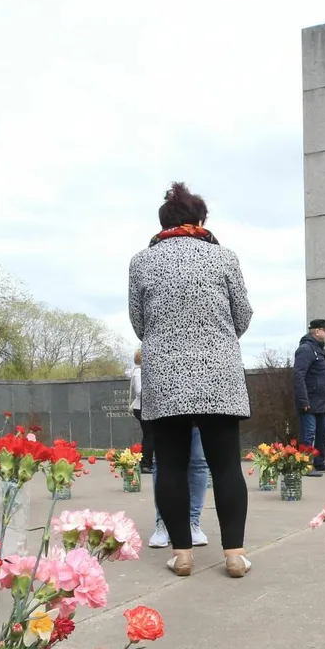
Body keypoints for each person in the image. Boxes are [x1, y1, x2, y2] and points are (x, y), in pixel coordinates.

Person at [128, 181, 253, 578]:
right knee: (227, 466)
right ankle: (234, 554)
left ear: (163, 222)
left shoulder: (142, 262)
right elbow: (243, 317)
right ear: (200, 220)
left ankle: (182, 553)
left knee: (172, 465)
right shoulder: (224, 258)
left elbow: (139, 322)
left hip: (166, 376)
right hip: (219, 374)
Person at [147, 425, 209, 551]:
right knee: (163, 461)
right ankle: (163, 522)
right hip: (166, 410)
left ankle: (193, 522)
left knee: (199, 461)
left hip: (200, 411)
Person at [293, 318, 325, 475]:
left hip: (319, 401)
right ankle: (305, 465)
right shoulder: (306, 349)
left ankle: (319, 462)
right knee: (308, 433)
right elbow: (298, 375)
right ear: (317, 331)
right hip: (309, 401)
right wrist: (303, 399)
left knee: (323, 432)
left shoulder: (319, 349)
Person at [129, 348, 154, 474]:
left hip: (145, 406)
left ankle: (147, 462)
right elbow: (139, 391)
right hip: (142, 406)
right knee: (150, 436)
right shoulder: (138, 372)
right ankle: (145, 464)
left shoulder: (140, 371)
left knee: (150, 435)